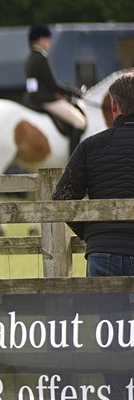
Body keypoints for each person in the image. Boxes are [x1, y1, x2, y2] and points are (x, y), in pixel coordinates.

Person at [52, 71, 134, 276]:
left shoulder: (89, 147)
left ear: (114, 105)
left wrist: (92, 233)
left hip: (102, 252)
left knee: (106, 310)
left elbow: (62, 198)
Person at [24, 23, 86, 152]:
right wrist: (74, 91)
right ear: (41, 39)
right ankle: (72, 160)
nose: (49, 43)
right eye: (48, 39)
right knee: (80, 122)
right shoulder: (41, 58)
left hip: (34, 98)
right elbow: (53, 84)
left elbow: (39, 84)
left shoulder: (29, 58)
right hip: (46, 101)